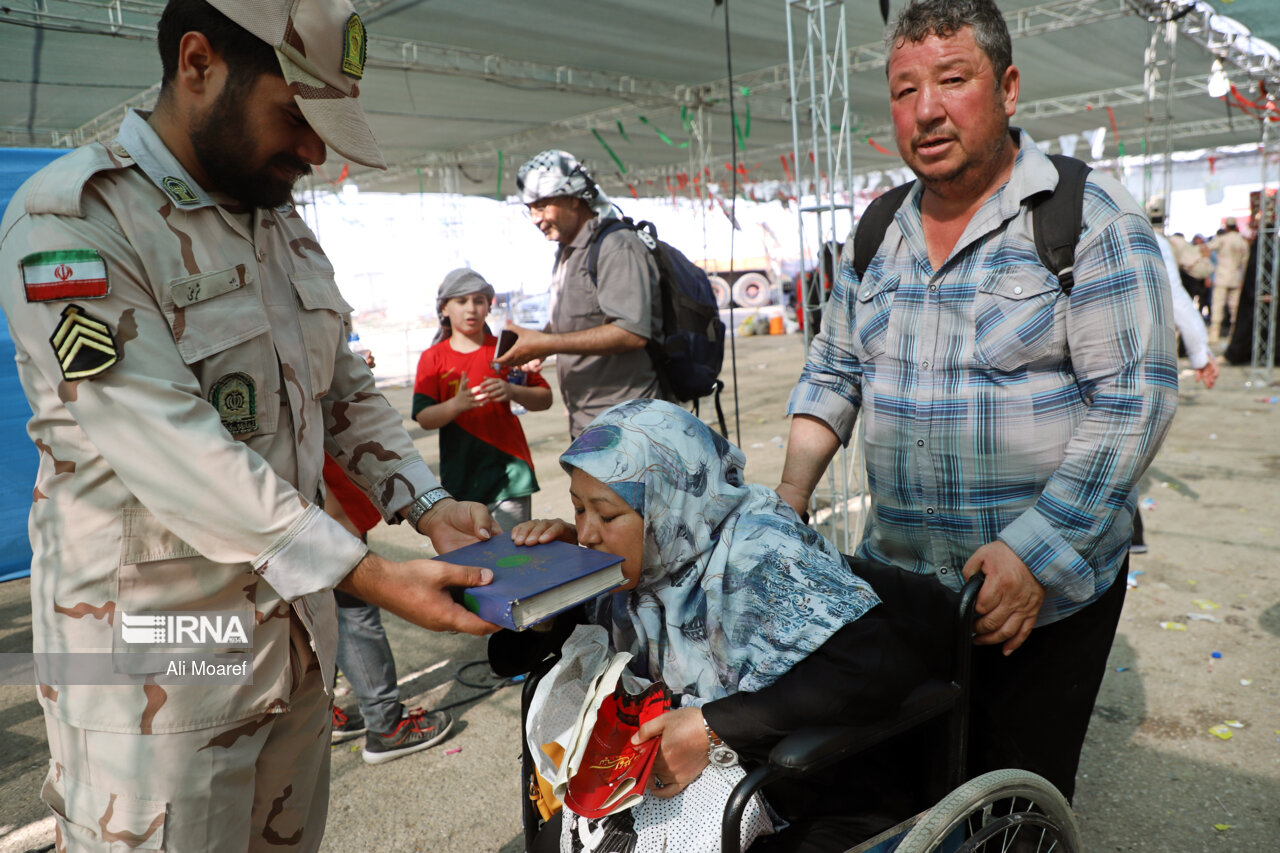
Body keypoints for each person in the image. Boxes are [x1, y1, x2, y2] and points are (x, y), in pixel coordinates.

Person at [0, 0, 501, 849]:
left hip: (293, 650)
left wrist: (426, 502)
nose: (315, 152)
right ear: (199, 64)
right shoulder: (76, 219)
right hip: (155, 678)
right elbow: (167, 443)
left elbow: (342, 384)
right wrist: (370, 573)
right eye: (296, 116)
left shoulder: (277, 220)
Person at [776, 0, 1177, 804]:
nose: (926, 109)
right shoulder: (878, 230)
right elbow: (834, 370)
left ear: (1009, 88)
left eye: (952, 80)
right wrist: (788, 497)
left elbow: (1134, 401)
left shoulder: (1087, 218)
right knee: (905, 789)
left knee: (1009, 803)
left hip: (1038, 603)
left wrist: (1033, 552)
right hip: (905, 587)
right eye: (904, 90)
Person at [494, 399, 953, 853]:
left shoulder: (761, 555)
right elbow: (506, 658)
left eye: (607, 515)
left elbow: (874, 667)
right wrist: (548, 589)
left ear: (667, 504)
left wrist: (711, 728)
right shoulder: (646, 564)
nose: (588, 533)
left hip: (810, 794)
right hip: (692, 784)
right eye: (578, 509)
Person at [495, 150, 669, 439]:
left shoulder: (616, 246)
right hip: (588, 422)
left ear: (573, 198)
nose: (535, 218)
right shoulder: (567, 253)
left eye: (542, 206)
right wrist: (537, 344)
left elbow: (631, 333)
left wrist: (548, 343)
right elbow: (575, 321)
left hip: (630, 425)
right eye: (530, 209)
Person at [413, 268, 553, 530]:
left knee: (513, 550)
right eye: (461, 301)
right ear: (444, 308)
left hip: (511, 476)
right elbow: (424, 418)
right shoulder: (433, 358)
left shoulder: (507, 350)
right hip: (461, 478)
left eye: (479, 301)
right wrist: (456, 405)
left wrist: (513, 391)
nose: (471, 309)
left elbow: (545, 398)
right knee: (472, 553)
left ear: (489, 306)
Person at [1209, 216, 1251, 341]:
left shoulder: (1222, 239)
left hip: (1222, 277)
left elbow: (1208, 248)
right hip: (1236, 278)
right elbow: (1245, 263)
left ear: (1227, 227)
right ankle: (1233, 335)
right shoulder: (1242, 242)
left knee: (1218, 305)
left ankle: (1214, 335)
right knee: (1235, 308)